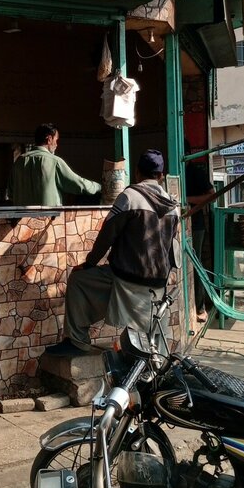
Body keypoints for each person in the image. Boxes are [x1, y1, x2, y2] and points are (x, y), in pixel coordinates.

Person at [46, 148, 180, 356]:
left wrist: (89, 264)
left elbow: (106, 236)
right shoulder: (173, 205)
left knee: (79, 280)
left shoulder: (129, 197)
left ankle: (77, 341)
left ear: (137, 172)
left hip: (125, 277)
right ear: (161, 176)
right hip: (158, 283)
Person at [9, 123, 101, 207]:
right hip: (47, 220)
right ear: (49, 139)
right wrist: (98, 187)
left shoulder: (19, 161)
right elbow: (78, 184)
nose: (56, 144)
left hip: (22, 221)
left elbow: (11, 192)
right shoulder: (54, 162)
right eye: (56, 140)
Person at [184, 139, 214, 322]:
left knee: (195, 265)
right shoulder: (175, 171)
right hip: (180, 225)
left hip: (195, 225)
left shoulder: (194, 172)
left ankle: (200, 308)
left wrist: (186, 199)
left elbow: (212, 195)